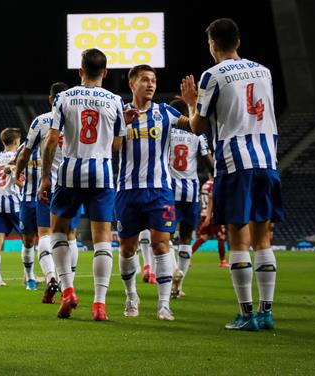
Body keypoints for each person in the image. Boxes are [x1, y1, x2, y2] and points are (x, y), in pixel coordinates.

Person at [179, 18, 282, 331]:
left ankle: (246, 313)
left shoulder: (214, 75)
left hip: (235, 165)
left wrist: (191, 103)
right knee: (263, 239)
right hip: (267, 162)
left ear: (212, 44)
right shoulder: (264, 71)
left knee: (239, 239)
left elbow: (198, 126)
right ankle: (266, 312)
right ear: (238, 40)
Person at [38, 48, 132, 321]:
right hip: (102, 171)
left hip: (69, 171)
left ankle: (68, 291)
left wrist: (46, 177)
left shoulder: (64, 97)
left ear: (80, 71)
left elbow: (52, 139)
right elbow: (116, 145)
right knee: (102, 237)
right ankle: (99, 305)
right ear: (105, 72)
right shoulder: (115, 101)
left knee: (59, 231)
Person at [115, 65, 198, 321]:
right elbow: (110, 149)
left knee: (161, 245)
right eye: (144, 80)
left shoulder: (166, 112)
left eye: (153, 80)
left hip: (160, 190)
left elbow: (196, 128)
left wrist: (193, 104)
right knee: (127, 249)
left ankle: (164, 305)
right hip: (127, 191)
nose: (150, 85)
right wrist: (121, 126)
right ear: (132, 84)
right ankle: (131, 296)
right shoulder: (119, 113)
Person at [14, 82, 78, 299]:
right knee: (70, 236)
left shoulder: (41, 121)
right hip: (73, 183)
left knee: (45, 235)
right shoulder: (78, 118)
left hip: (48, 184)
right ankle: (68, 282)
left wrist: (17, 172)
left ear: (51, 99)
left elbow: (24, 153)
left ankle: (51, 277)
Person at [168, 98, 214, 298]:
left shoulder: (167, 132)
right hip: (191, 192)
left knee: (164, 237)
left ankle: (172, 273)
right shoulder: (198, 135)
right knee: (186, 239)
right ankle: (178, 287)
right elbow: (210, 165)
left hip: (169, 192)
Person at [0, 128, 23, 287]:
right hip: (13, 201)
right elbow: (17, 178)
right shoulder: (16, 157)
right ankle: (28, 275)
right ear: (17, 142)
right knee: (27, 238)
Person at [192, 176, 228, 265]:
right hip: (212, 214)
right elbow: (214, 200)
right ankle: (222, 261)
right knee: (221, 237)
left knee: (203, 237)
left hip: (203, 213)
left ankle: (187, 256)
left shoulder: (204, 185)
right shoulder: (214, 185)